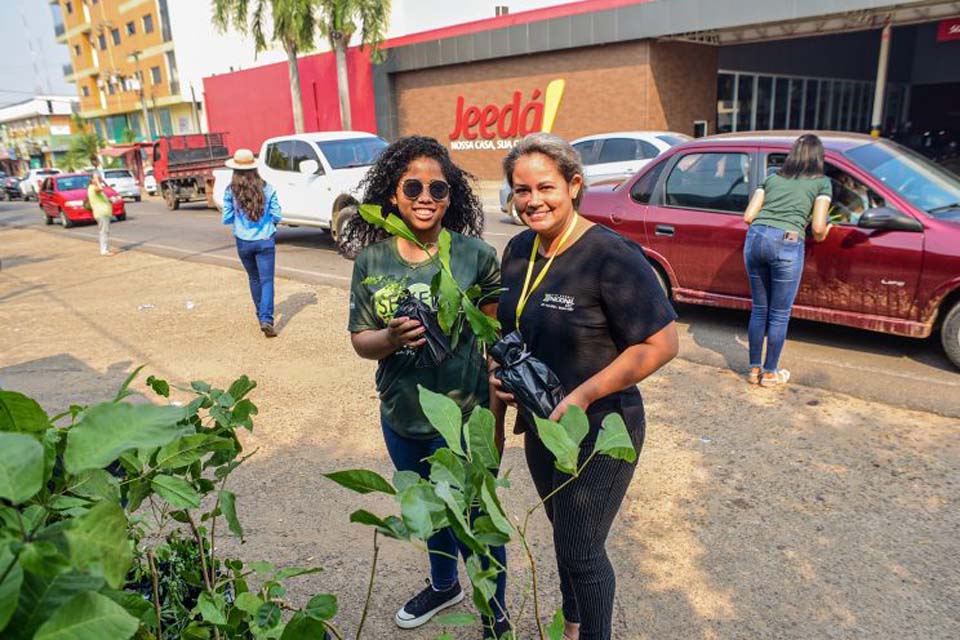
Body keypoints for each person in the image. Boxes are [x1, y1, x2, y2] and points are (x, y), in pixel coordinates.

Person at [493, 133, 678, 640]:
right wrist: (505, 377)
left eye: (546, 187)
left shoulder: (611, 256)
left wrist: (584, 395)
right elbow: (510, 328)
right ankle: (572, 626)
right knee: (565, 537)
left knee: (582, 550)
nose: (534, 201)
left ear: (574, 185)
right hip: (542, 426)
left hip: (602, 427)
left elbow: (660, 345)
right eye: (522, 190)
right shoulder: (517, 250)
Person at [344, 136, 510, 639]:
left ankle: (495, 615)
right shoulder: (372, 261)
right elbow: (360, 341)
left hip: (460, 418)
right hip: (400, 415)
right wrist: (390, 338)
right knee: (427, 508)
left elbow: (492, 344)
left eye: (437, 188)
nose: (424, 196)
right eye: (411, 186)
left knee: (476, 517)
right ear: (393, 195)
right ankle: (444, 586)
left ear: (450, 197)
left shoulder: (476, 257)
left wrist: (495, 425)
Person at [742, 133, 833, 386]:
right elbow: (817, 228)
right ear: (819, 158)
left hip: (756, 238)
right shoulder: (822, 183)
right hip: (787, 241)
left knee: (760, 309)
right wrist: (828, 230)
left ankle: (753, 370)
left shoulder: (771, 179)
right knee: (779, 314)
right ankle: (770, 373)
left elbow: (749, 216)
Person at [221, 148, 282, 337]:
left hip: (243, 241)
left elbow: (227, 217)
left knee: (254, 279)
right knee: (266, 281)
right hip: (265, 240)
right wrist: (269, 226)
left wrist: (240, 223)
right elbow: (277, 214)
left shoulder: (231, 191)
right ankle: (266, 319)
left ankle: (260, 316)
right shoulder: (267, 187)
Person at [88, 171, 115, 256]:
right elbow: (100, 189)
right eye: (98, 178)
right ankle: (104, 250)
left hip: (104, 212)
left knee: (105, 231)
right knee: (104, 232)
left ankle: (105, 249)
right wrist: (96, 179)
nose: (100, 179)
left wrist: (109, 200)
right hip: (101, 213)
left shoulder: (95, 188)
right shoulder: (93, 188)